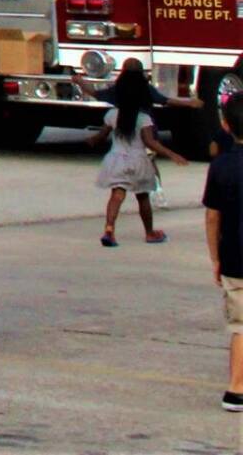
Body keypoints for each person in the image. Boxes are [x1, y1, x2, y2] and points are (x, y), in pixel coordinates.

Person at [92, 58, 188, 246]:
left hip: (116, 161)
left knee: (117, 195)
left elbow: (101, 135)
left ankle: (109, 230)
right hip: (138, 161)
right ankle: (150, 233)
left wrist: (92, 140)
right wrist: (172, 154)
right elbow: (151, 143)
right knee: (143, 197)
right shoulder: (144, 118)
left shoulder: (112, 115)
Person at [200, 92, 243, 412]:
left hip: (235, 257)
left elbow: (213, 216)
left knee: (241, 326)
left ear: (226, 125)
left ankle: (235, 389)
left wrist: (215, 257)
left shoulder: (220, 166)